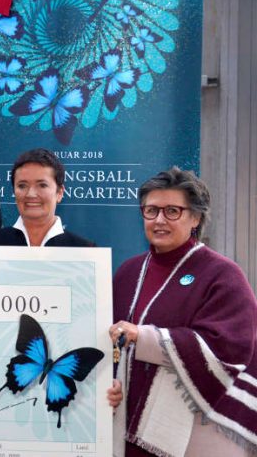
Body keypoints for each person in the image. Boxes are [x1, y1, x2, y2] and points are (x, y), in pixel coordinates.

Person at [107, 167, 257, 456]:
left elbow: (229, 349)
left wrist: (145, 337)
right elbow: (109, 342)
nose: (159, 220)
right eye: (151, 211)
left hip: (192, 439)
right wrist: (109, 383)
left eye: (172, 211)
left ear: (196, 218)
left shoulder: (223, 275)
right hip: (125, 429)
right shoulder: (128, 272)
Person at [0, 148, 93, 247]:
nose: (31, 194)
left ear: (59, 193)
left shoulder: (84, 250)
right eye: (22, 186)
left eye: (42, 185)